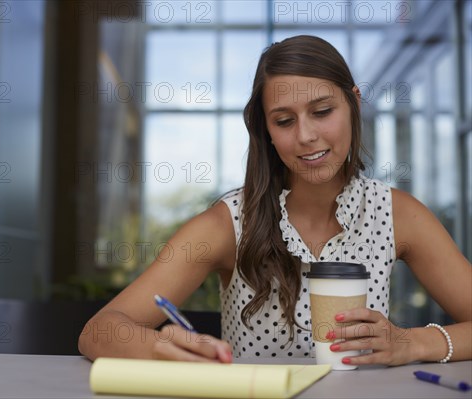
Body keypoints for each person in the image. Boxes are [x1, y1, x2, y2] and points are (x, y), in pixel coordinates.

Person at [78, 35, 471, 366]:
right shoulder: (228, 224)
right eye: (284, 121)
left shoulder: (398, 214)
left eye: (322, 111)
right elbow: (99, 331)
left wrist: (413, 343)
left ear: (353, 102)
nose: (306, 136)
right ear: (265, 130)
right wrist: (159, 348)